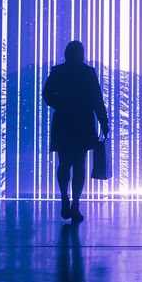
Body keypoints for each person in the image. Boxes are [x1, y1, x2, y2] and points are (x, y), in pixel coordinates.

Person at [42, 41, 109, 223]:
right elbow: (97, 99)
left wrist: (61, 104)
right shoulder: (88, 73)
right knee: (79, 164)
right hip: (82, 123)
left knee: (64, 163)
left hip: (63, 122)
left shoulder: (58, 72)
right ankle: (75, 205)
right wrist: (104, 122)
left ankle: (65, 198)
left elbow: (47, 94)